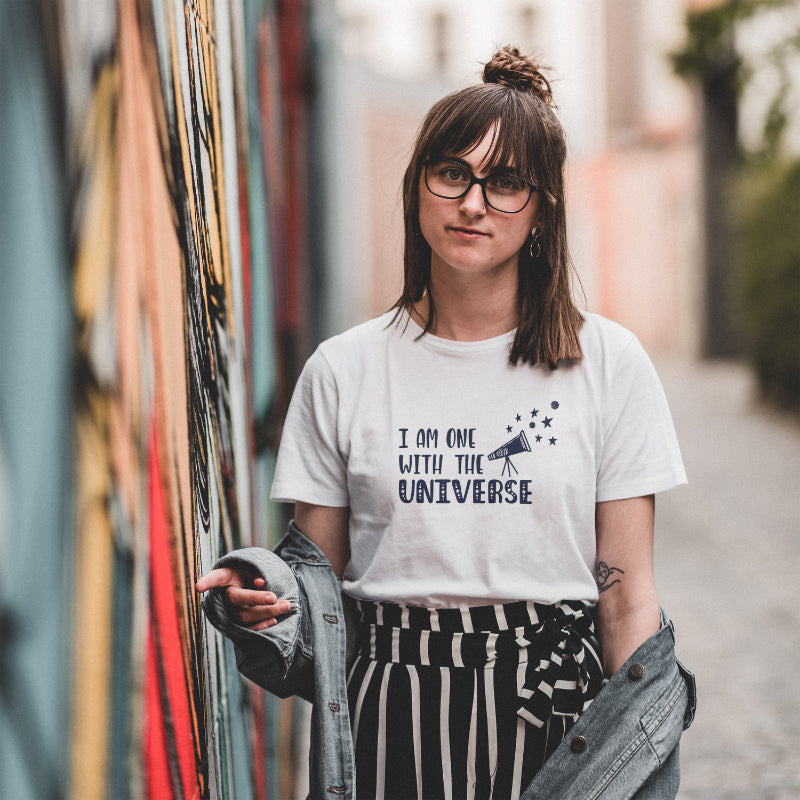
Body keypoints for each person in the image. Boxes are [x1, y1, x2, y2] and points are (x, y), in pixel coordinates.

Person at [196, 46, 694, 800]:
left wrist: (640, 761)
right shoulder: (344, 370)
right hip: (389, 716)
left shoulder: (610, 364)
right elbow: (316, 586)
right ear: (419, 186)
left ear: (542, 209)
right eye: (453, 173)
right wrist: (264, 594)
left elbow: (626, 599)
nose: (473, 203)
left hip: (557, 719)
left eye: (506, 184)